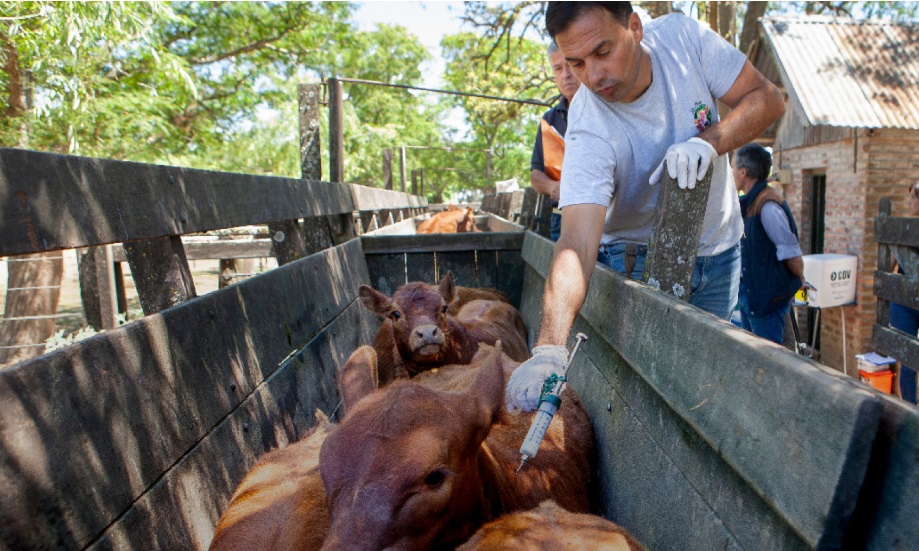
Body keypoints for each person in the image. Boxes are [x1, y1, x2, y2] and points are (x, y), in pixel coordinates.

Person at [506, 2, 785, 412]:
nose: (593, 76)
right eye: (576, 63)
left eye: (603, 52)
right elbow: (577, 243)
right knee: (645, 401)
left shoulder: (684, 41)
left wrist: (709, 142)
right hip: (633, 261)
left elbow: (769, 99)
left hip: (720, 251)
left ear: (634, 27)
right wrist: (549, 348)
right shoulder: (587, 124)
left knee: (706, 391)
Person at [733, 144, 805, 345]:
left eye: (733, 168)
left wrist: (798, 280)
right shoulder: (750, 202)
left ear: (743, 172)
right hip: (752, 297)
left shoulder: (767, 205)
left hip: (767, 302)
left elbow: (792, 255)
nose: (732, 173)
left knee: (767, 358)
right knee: (752, 356)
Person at [530, 41, 580, 241]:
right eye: (558, 68)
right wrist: (553, 188)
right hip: (561, 218)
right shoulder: (549, 120)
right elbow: (536, 175)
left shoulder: (604, 108)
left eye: (570, 65)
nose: (566, 74)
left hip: (605, 219)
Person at [892, 181, 919, 403]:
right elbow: (889, 266)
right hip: (904, 302)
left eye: (913, 198)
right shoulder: (904, 228)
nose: (909, 202)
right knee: (907, 362)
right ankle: (910, 411)